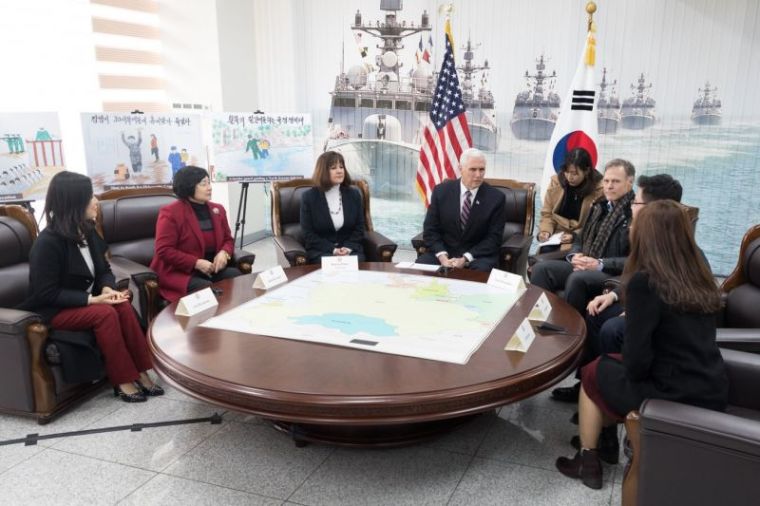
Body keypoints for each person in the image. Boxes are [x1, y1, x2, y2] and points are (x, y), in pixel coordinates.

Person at [555, 199, 728, 490]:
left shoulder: (645, 283)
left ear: (649, 236)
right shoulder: (699, 276)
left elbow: (636, 362)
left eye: (636, 225)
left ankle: (588, 460)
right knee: (609, 366)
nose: (631, 229)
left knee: (593, 372)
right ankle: (605, 441)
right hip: (710, 384)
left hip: (671, 391)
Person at [19, 172, 163, 403]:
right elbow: (45, 293)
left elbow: (104, 269)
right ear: (74, 202)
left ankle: (143, 372)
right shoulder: (47, 243)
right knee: (104, 313)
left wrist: (107, 289)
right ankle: (122, 380)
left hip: (85, 302)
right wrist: (93, 300)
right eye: (90, 197)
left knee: (122, 306)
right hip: (52, 310)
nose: (96, 201)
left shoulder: (87, 231)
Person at [552, 174, 685, 404]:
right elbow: (642, 274)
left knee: (611, 328)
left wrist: (635, 309)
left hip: (666, 319)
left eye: (637, 202)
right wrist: (614, 296)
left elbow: (668, 289)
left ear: (654, 208)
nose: (633, 206)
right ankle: (586, 383)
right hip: (641, 301)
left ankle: (611, 389)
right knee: (596, 314)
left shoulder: (673, 242)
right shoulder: (647, 232)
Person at [530, 159, 635, 312]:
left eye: (615, 181)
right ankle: (539, 319)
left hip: (610, 272)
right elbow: (580, 238)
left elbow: (635, 260)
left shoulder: (635, 214)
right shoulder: (599, 205)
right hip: (585, 264)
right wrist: (574, 256)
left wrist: (599, 263)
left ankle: (570, 330)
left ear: (629, 183)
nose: (609, 186)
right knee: (541, 269)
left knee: (577, 279)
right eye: (606, 181)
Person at [151, 166, 241, 302]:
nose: (209, 187)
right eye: (203, 184)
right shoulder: (170, 213)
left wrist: (224, 253)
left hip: (211, 268)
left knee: (236, 276)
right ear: (189, 187)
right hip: (180, 272)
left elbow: (228, 239)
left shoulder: (218, 209)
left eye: (209, 183)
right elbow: (164, 250)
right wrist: (196, 263)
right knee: (205, 290)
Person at [417, 148, 507, 272]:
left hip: (478, 256)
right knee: (422, 265)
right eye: (473, 169)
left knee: (481, 271)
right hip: (445, 252)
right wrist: (442, 256)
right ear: (461, 168)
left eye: (482, 169)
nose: (478, 175)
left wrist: (465, 258)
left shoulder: (496, 198)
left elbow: (494, 238)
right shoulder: (441, 192)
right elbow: (430, 230)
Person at [300, 151, 366, 264]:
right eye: (333, 168)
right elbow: (308, 234)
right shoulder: (309, 197)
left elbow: (360, 228)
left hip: (349, 251)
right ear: (323, 171)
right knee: (332, 265)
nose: (339, 171)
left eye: (341, 167)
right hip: (321, 252)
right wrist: (333, 250)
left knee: (355, 263)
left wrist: (348, 248)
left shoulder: (354, 195)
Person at [537, 148, 603, 251]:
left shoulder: (599, 190)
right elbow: (547, 214)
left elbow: (597, 223)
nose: (569, 177)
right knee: (544, 253)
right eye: (567, 172)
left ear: (586, 171)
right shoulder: (556, 182)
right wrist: (545, 231)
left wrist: (575, 235)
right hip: (556, 234)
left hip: (582, 238)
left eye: (574, 174)